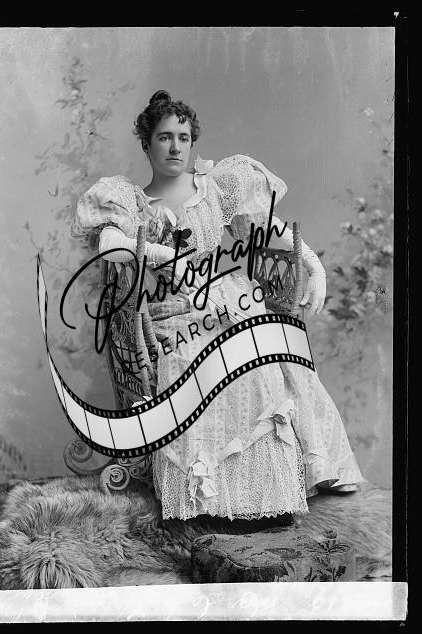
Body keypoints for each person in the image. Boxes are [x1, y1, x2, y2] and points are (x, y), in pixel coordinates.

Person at [72, 90, 363, 522]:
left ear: (192, 143)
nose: (175, 147)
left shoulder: (214, 189)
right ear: (146, 144)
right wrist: (160, 254)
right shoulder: (132, 201)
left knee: (265, 362)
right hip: (172, 312)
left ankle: (264, 497)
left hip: (227, 300)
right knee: (199, 364)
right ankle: (208, 500)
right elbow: (109, 244)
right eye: (165, 137)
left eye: (184, 138)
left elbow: (269, 228)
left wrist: (313, 265)